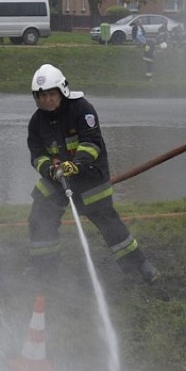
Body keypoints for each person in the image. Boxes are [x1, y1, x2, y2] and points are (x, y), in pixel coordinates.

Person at [27, 63, 158, 282]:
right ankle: (44, 268)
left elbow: (92, 143)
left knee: (107, 220)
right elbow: (37, 154)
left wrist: (75, 164)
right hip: (57, 178)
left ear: (62, 91)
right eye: (40, 96)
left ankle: (139, 265)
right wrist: (50, 169)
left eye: (50, 94)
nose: (46, 100)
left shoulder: (81, 109)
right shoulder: (36, 122)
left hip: (89, 176)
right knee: (40, 216)